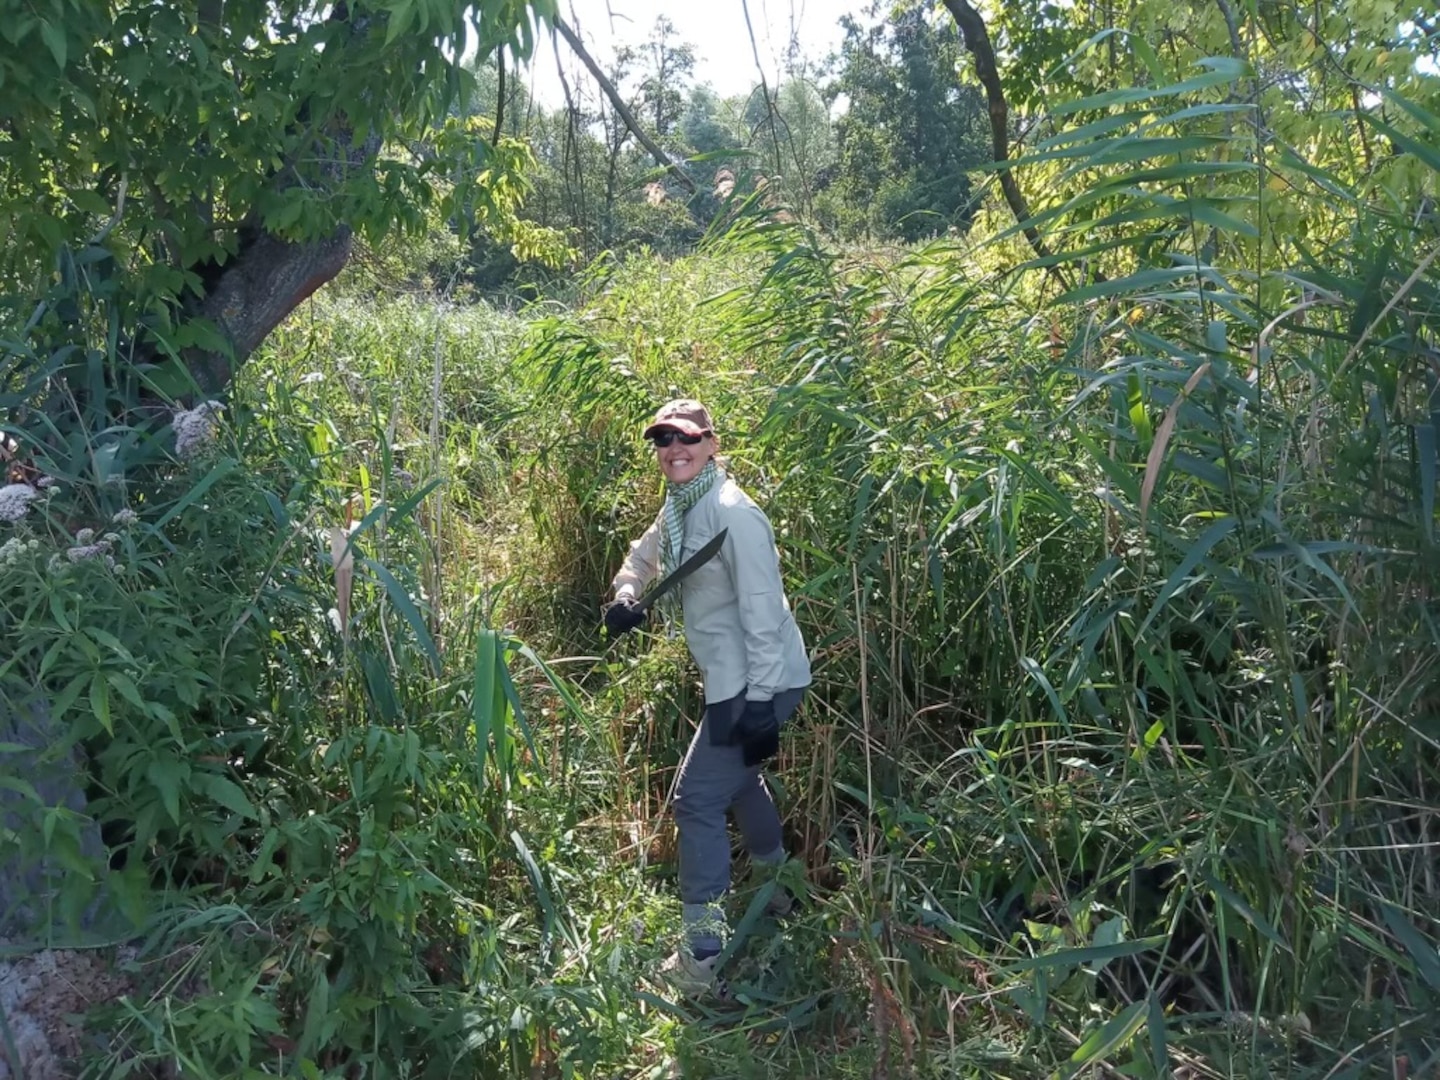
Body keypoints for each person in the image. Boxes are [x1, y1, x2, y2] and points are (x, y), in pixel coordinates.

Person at [604, 398, 811, 995]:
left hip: (759, 681)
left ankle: (702, 958)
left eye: (687, 439)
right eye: (664, 441)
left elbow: (764, 613)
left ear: (712, 444)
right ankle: (781, 891)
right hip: (730, 680)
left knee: (695, 800)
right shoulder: (680, 508)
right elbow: (643, 559)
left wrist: (761, 704)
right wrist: (625, 594)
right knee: (738, 779)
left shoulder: (733, 514)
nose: (675, 451)